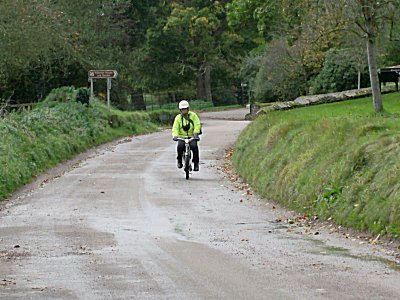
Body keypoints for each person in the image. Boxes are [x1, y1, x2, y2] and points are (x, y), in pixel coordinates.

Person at [172, 100, 202, 171]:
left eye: (185, 109)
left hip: (192, 136)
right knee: (180, 146)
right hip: (181, 137)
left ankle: (196, 163)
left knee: (194, 147)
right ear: (180, 110)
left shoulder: (193, 115)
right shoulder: (178, 118)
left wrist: (195, 133)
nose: (184, 111)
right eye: (182, 109)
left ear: (188, 109)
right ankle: (179, 160)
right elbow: (175, 127)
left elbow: (197, 124)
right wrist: (175, 135)